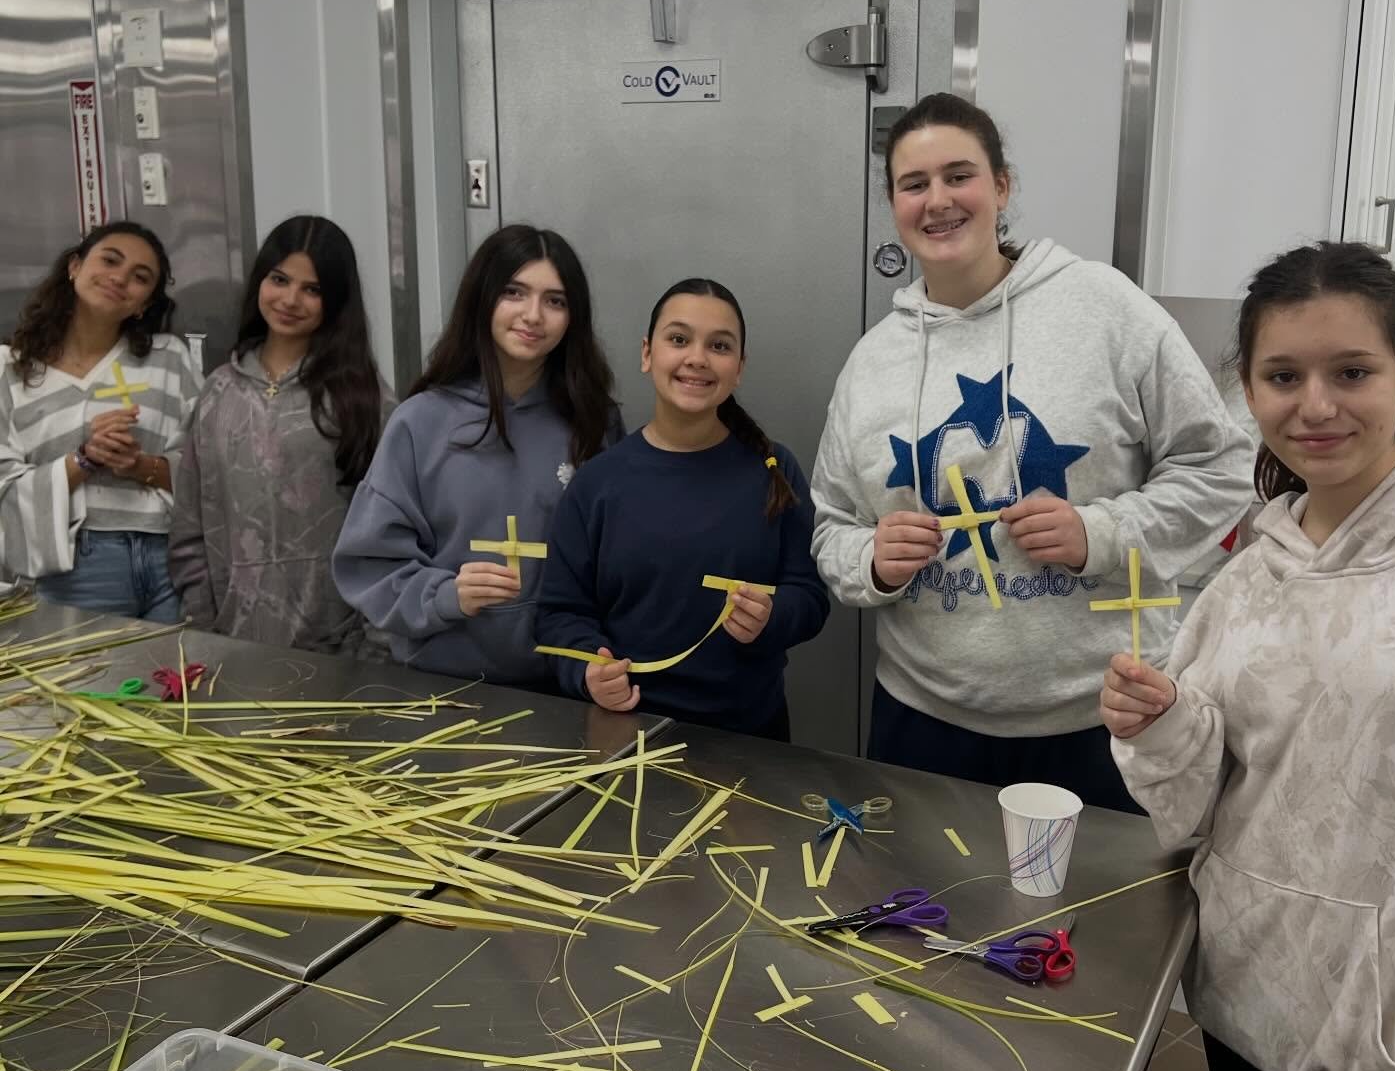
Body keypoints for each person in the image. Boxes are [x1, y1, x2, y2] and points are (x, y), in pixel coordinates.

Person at [811, 93, 1252, 811]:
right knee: (928, 918)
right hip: (923, 724)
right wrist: (871, 560)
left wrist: (1099, 532)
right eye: (914, 184)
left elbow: (1220, 468)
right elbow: (832, 523)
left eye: (960, 176)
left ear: (1002, 186)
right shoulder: (872, 363)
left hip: (1101, 715)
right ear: (893, 203)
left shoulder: (1106, 309)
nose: (939, 201)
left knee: (1098, 922)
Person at [1103, 241, 1395, 1071]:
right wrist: (1167, 721)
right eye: (1283, 375)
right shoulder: (1246, 579)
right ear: (1248, 391)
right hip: (1250, 993)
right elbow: (1202, 794)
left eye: (1352, 372)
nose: (1316, 405)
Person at [535, 278, 829, 738]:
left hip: (751, 736)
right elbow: (558, 613)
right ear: (648, 353)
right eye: (679, 339)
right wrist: (589, 670)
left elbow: (810, 596)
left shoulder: (774, 468)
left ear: (739, 367)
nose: (697, 358)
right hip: (627, 732)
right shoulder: (598, 483)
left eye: (719, 345)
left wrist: (774, 617)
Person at [332, 225, 619, 684]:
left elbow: (614, 560)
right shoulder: (420, 422)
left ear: (573, 318)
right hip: (440, 688)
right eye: (514, 292)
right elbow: (369, 563)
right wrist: (447, 595)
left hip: (564, 689)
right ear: (482, 299)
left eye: (555, 301)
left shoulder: (594, 424)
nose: (533, 315)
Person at [168, 216, 390, 653]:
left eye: (313, 289)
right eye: (280, 279)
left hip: (339, 650)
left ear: (336, 301)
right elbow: (190, 524)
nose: (291, 299)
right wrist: (203, 626)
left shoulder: (363, 398)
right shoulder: (217, 392)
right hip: (232, 645)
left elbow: (387, 533)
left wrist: (370, 648)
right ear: (259, 282)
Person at [0, 221, 199, 620]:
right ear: (74, 266)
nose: (119, 278)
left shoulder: (169, 359)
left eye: (140, 277)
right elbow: (4, 488)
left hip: (169, 560)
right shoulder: (13, 371)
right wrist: (84, 460)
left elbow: (207, 471)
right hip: (75, 567)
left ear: (144, 303)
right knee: (95, 682)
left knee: (178, 680)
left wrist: (140, 466)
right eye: (110, 260)